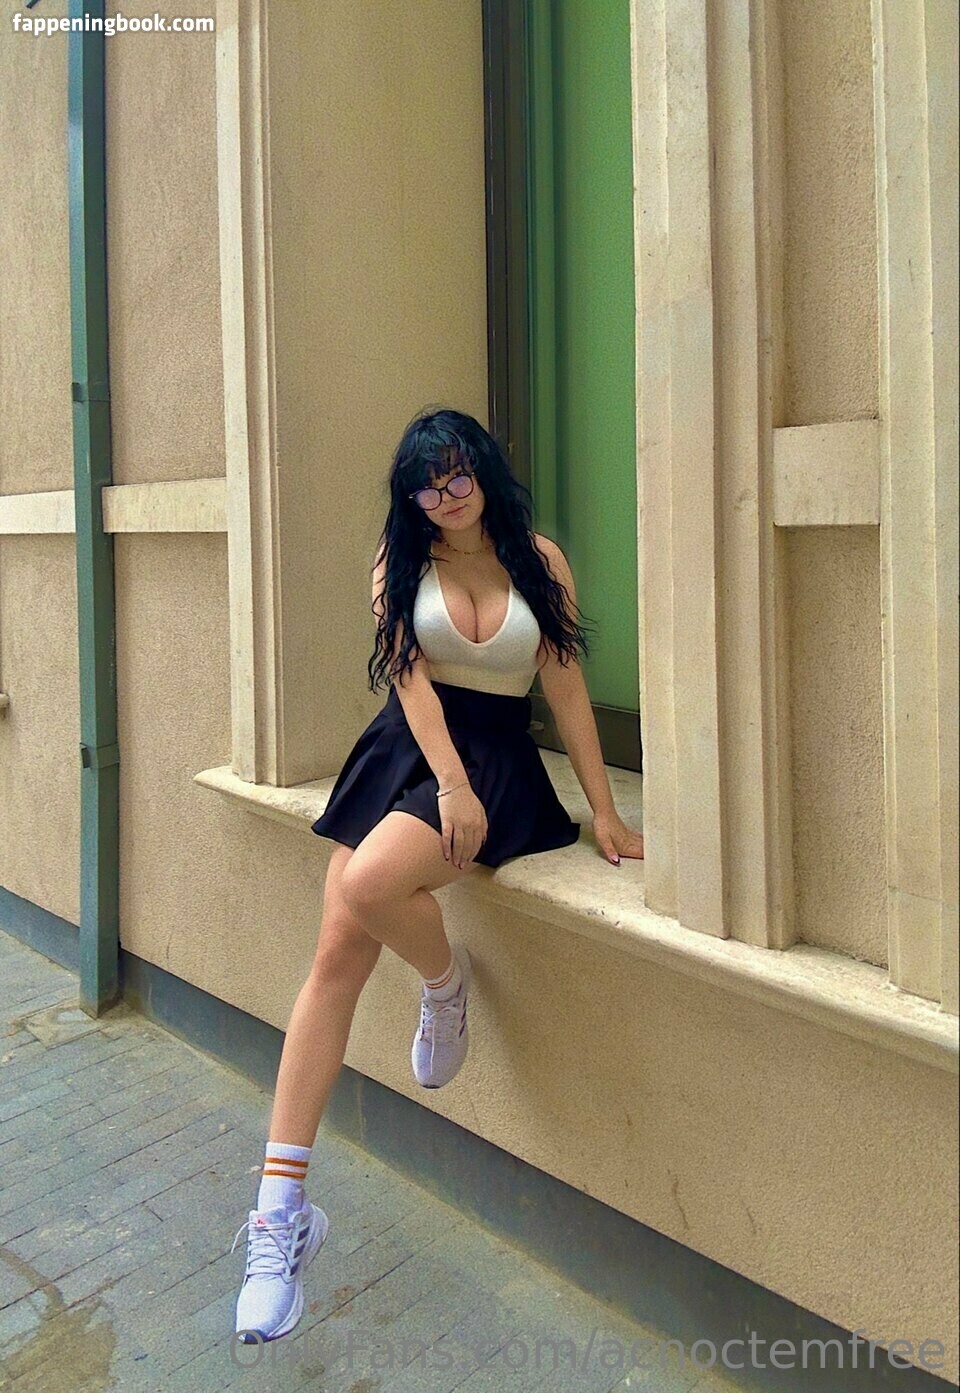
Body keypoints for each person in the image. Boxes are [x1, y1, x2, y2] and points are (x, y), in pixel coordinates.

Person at [232, 407, 645, 1344]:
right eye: (426, 484)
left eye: (457, 475)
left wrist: (607, 811)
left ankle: (444, 984)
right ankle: (280, 1212)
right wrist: (448, 785)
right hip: (413, 755)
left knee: (366, 887)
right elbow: (409, 680)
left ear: (484, 470)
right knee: (336, 952)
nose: (445, 496)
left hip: (497, 762)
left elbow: (566, 686)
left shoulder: (538, 559)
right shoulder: (400, 559)